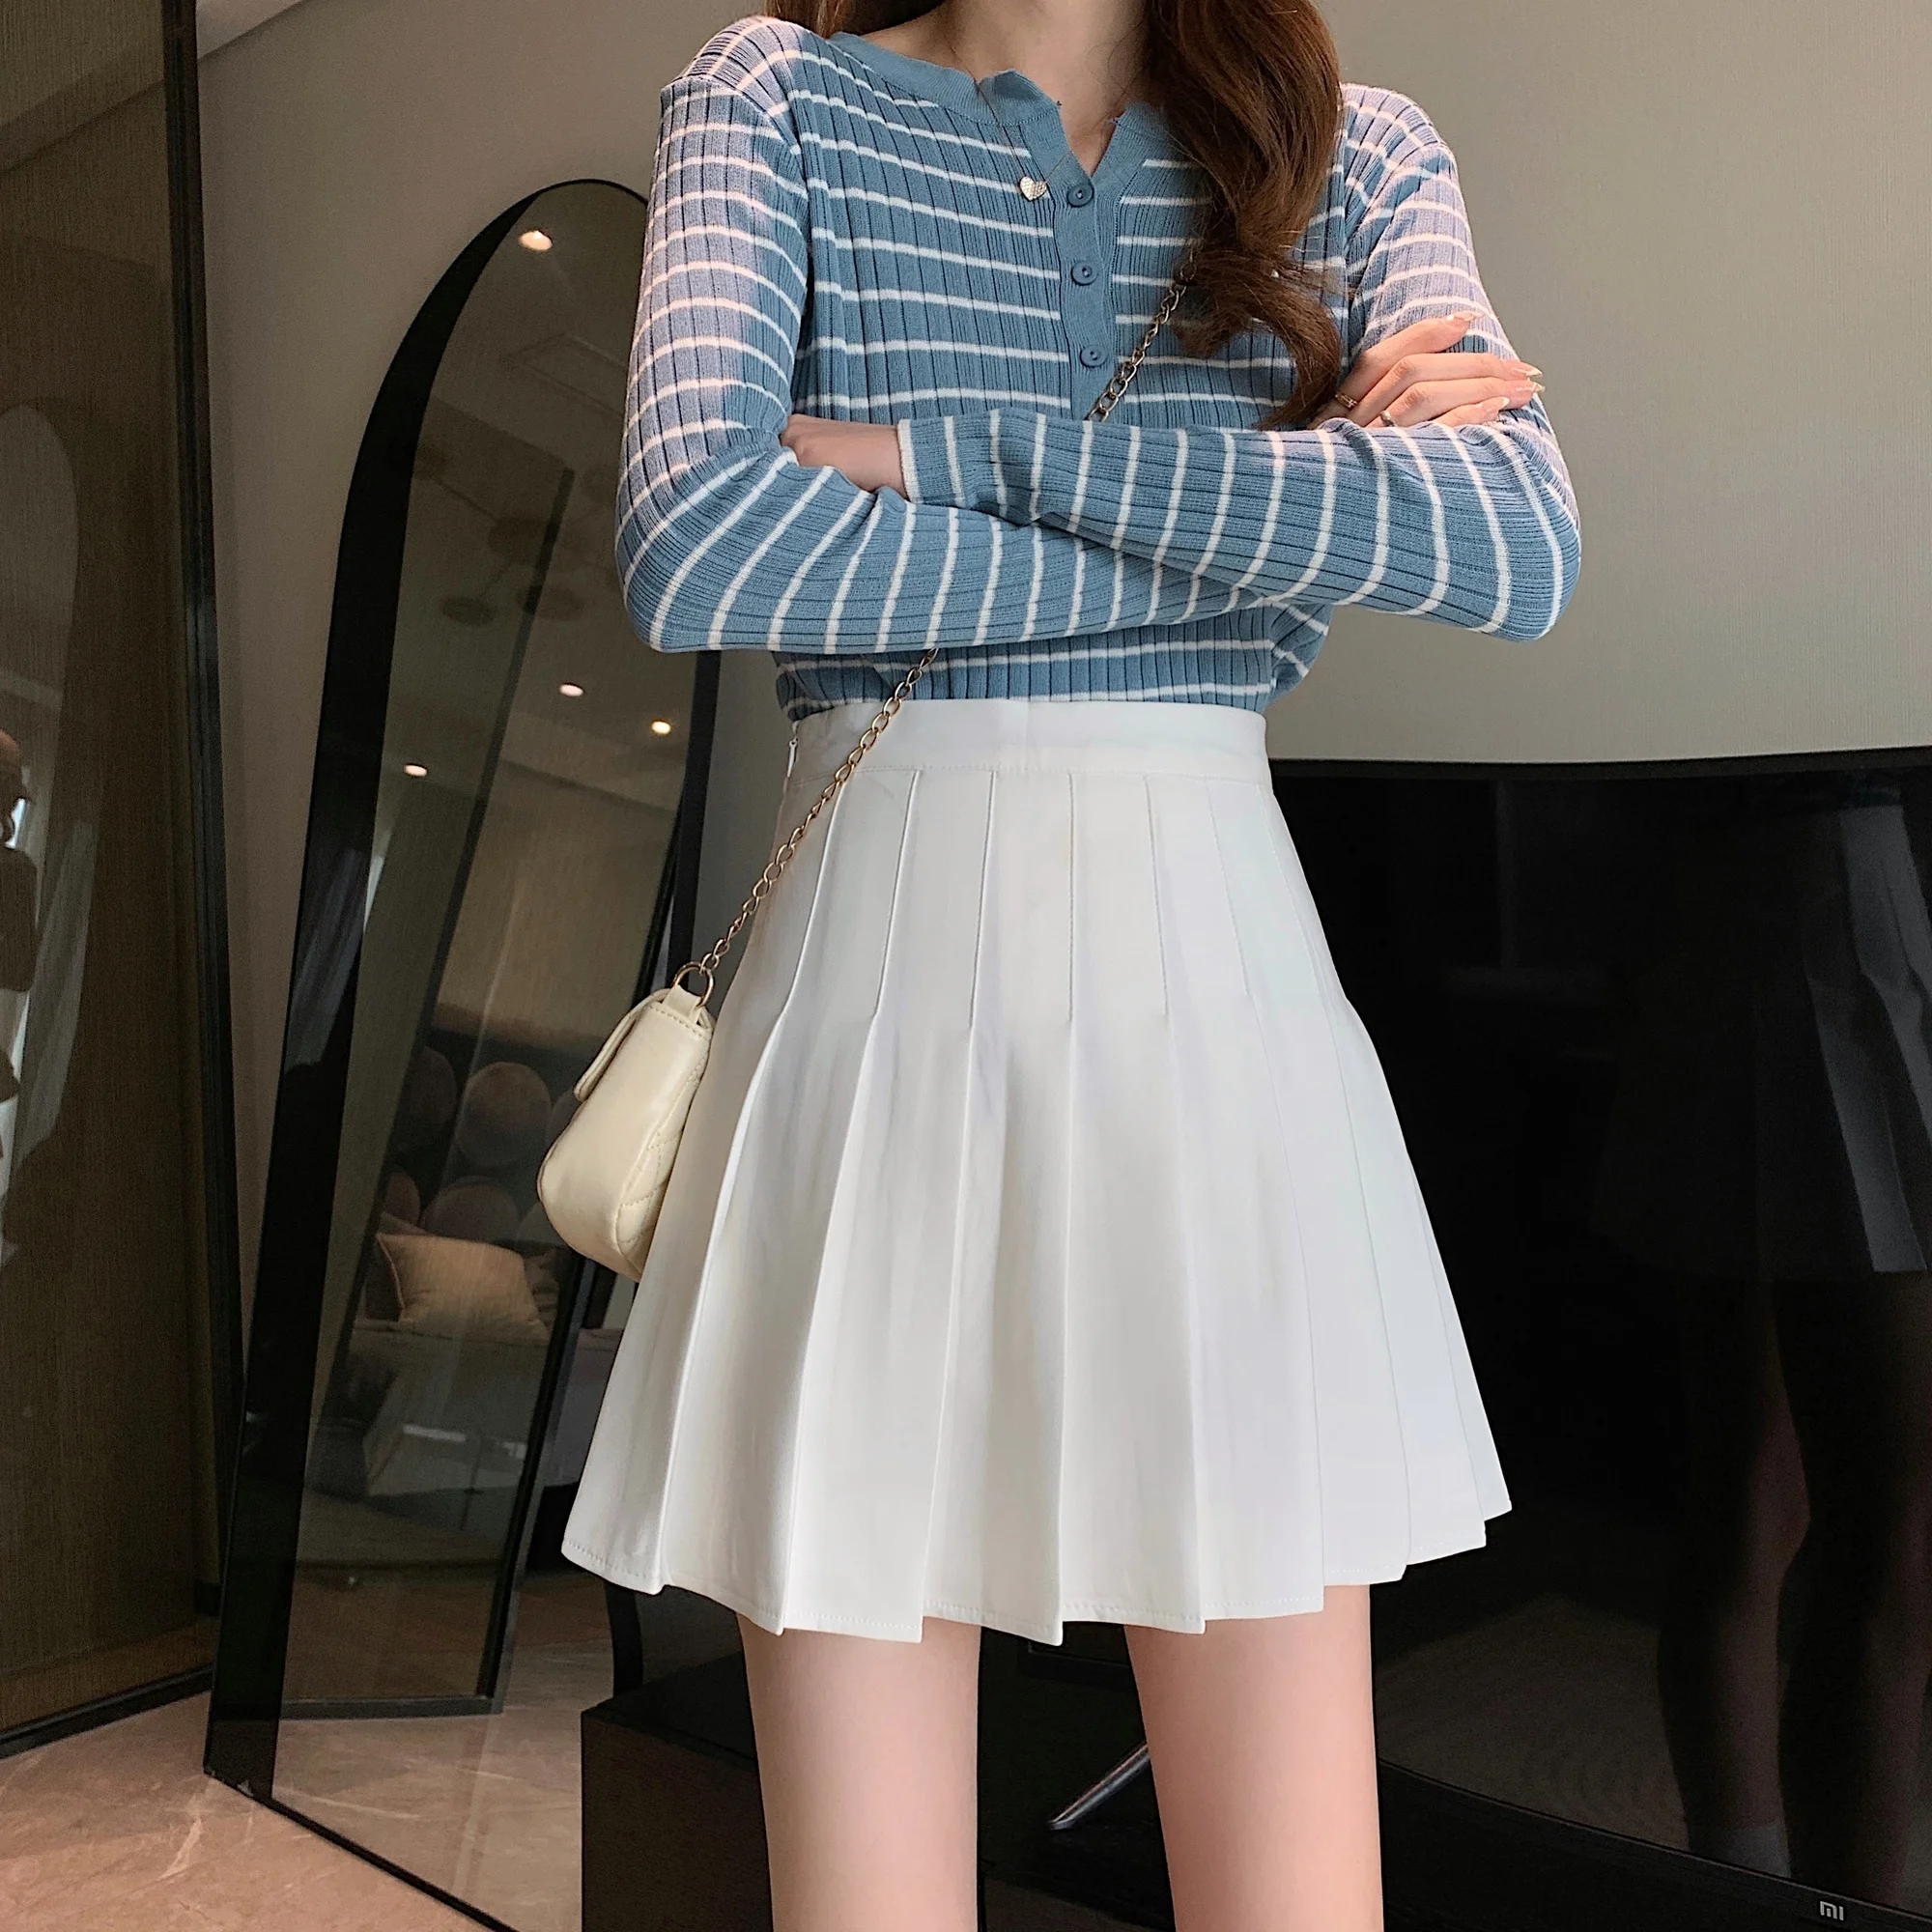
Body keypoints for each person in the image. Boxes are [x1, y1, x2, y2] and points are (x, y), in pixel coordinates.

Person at [564, 1, 1579, 1925]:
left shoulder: (1354, 147)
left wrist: (932, 457)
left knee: (1293, 1899)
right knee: (862, 1898)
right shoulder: (771, 95)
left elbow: (1514, 545)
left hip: (1215, 1000)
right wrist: (1282, 529)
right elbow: (699, 542)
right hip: (873, 995)